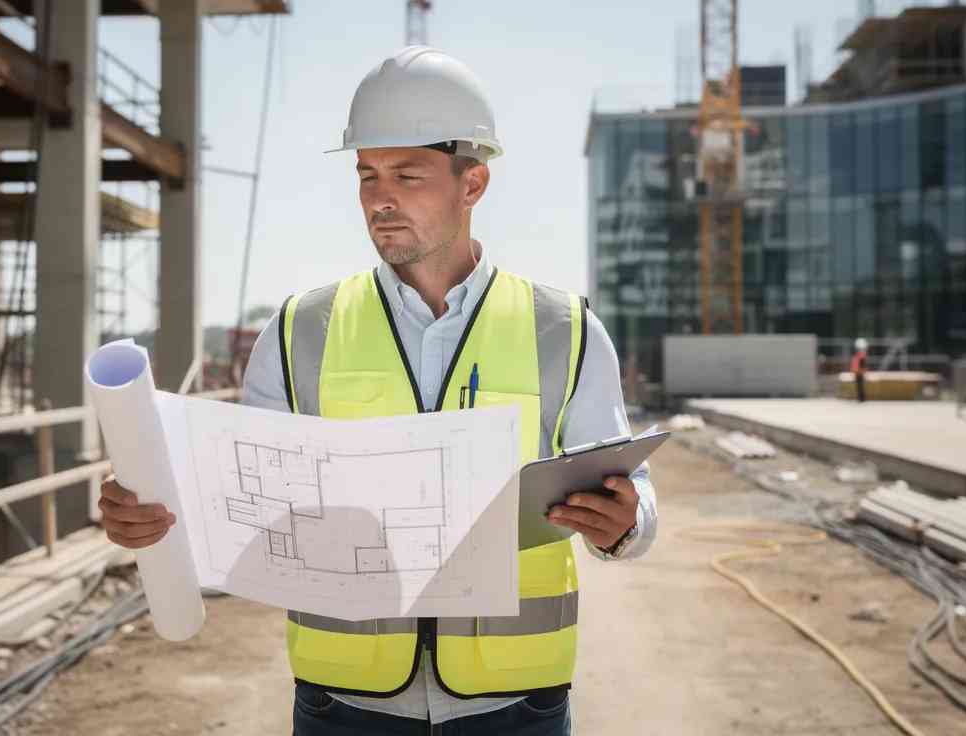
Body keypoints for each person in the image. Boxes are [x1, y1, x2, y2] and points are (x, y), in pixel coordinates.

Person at [97, 47, 658, 735]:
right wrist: (159, 515)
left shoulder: (562, 328)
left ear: (472, 183)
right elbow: (244, 511)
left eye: (408, 176)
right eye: (366, 175)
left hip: (515, 705)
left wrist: (627, 522)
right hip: (345, 705)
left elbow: (629, 493)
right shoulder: (301, 329)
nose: (379, 199)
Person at [850, 338, 868, 403]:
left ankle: (861, 398)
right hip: (858, 371)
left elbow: (862, 363)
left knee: (860, 385)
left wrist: (861, 370)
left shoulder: (861, 354)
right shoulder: (860, 354)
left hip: (859, 372)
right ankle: (861, 398)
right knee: (859, 385)